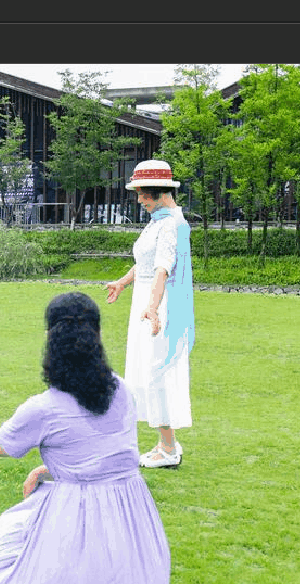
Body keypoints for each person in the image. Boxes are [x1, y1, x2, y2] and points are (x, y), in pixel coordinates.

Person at [0, 291, 177, 584]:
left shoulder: (45, 408)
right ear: (97, 337)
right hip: (132, 516)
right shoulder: (122, 391)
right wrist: (49, 469)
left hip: (83, 512)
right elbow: (111, 457)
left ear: (51, 341)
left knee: (14, 530)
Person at [106, 159, 195, 468]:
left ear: (158, 192)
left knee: (158, 370)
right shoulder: (158, 220)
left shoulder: (171, 224)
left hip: (159, 303)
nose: (140, 200)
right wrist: (123, 282)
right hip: (147, 300)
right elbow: (144, 263)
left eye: (143, 194)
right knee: (147, 369)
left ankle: (169, 449)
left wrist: (154, 307)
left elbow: (162, 269)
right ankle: (164, 442)